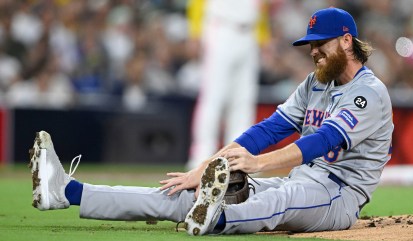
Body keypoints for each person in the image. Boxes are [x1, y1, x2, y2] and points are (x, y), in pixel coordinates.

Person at [30, 7, 393, 236]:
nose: (313, 50)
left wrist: (258, 164)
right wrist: (205, 169)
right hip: (300, 179)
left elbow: (323, 141)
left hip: (338, 194)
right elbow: (267, 130)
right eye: (309, 43)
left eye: (320, 42)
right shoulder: (315, 83)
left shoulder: (369, 92)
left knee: (281, 200)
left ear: (347, 42)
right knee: (183, 194)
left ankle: (215, 221)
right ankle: (66, 192)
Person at [185, 0, 270, 170]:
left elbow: (259, 5)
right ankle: (201, 157)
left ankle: (238, 158)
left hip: (249, 32)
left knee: (244, 101)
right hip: (221, 28)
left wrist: (263, 36)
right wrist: (195, 31)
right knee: (213, 97)